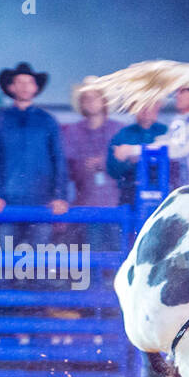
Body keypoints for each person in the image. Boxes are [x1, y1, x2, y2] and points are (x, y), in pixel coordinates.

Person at [0, 61, 69, 258]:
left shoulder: (47, 121)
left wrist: (60, 196)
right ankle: (3, 288)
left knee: (37, 258)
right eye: (19, 82)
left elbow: (59, 160)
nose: (24, 86)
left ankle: (34, 287)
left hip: (41, 200)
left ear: (35, 87)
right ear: (11, 87)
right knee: (3, 259)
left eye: (28, 82)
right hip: (6, 200)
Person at [62, 76, 124, 270]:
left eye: (94, 96)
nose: (90, 101)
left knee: (115, 253)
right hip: (86, 202)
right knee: (90, 254)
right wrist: (84, 166)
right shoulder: (72, 132)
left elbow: (127, 167)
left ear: (104, 101)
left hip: (115, 203)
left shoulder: (119, 130)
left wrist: (103, 162)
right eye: (86, 97)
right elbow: (67, 168)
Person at [107, 103, 170, 206]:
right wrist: (128, 163)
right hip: (131, 194)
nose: (146, 111)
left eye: (150, 105)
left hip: (163, 194)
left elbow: (175, 164)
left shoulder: (166, 132)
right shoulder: (123, 135)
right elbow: (112, 170)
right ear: (133, 108)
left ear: (157, 107)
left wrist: (137, 155)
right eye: (141, 105)